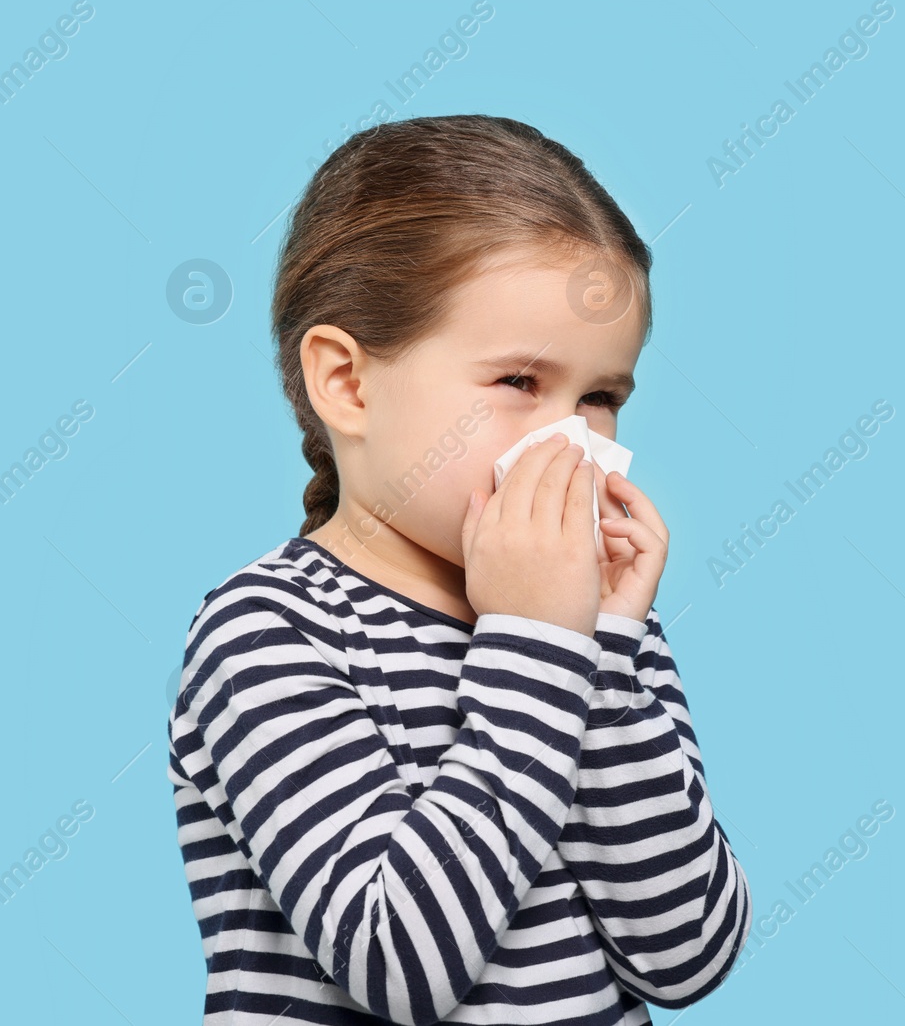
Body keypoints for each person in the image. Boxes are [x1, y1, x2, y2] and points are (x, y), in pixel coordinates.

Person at [167, 114, 751, 1025]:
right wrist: (540, 647)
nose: (573, 440)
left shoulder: (599, 633)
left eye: (600, 397)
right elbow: (397, 965)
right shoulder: (267, 631)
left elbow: (686, 956)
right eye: (520, 381)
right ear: (348, 384)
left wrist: (601, 652)